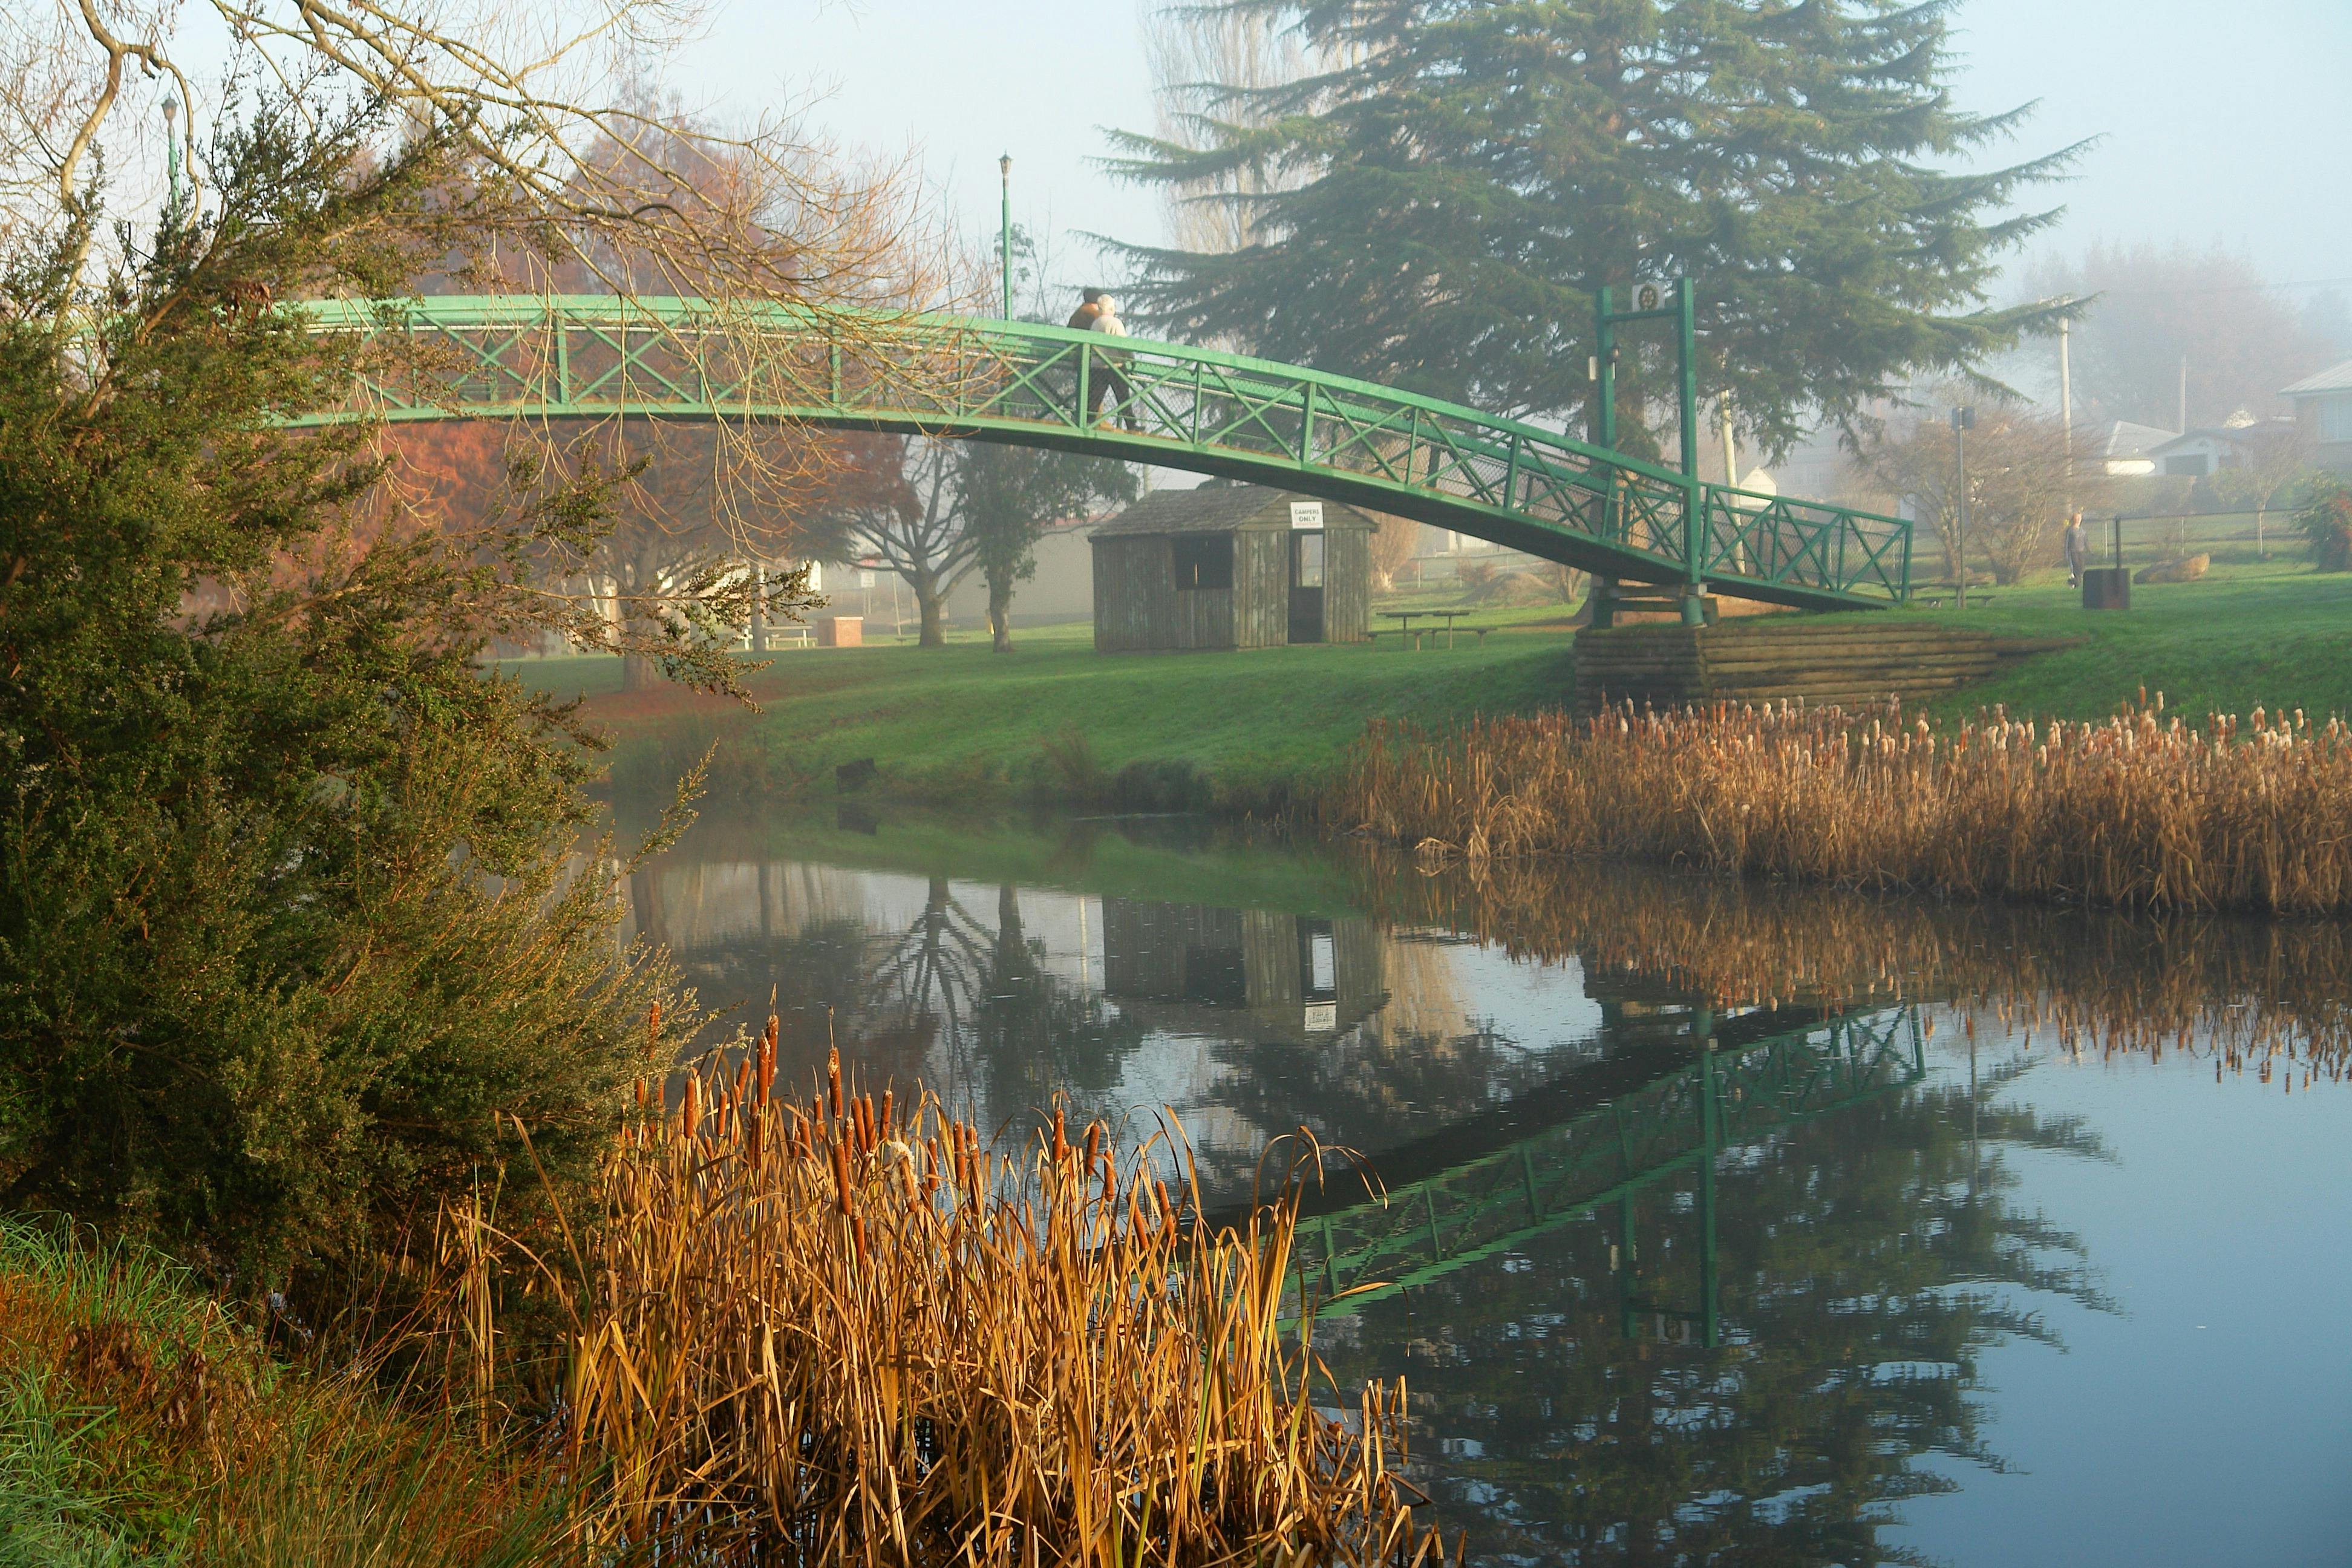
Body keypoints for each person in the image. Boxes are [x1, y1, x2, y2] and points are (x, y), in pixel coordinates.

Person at [1069, 287, 1140, 433]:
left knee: (1094, 396)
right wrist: (1130, 358)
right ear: (1112, 308)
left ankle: (1087, 420)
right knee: (1123, 396)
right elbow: (1123, 345)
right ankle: (1131, 424)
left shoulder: (1093, 322)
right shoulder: (1113, 322)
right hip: (1115, 365)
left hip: (1096, 364)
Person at [2062, 510, 2088, 588]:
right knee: (2076, 567)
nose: (2078, 520)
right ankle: (2075, 582)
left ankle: (2075, 582)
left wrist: (2089, 550)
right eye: (2077, 518)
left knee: (2081, 568)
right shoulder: (2070, 530)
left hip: (2081, 551)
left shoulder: (2083, 531)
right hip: (2073, 552)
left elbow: (2085, 541)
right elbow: (2067, 543)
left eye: (2079, 518)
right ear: (2073, 519)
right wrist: (2066, 553)